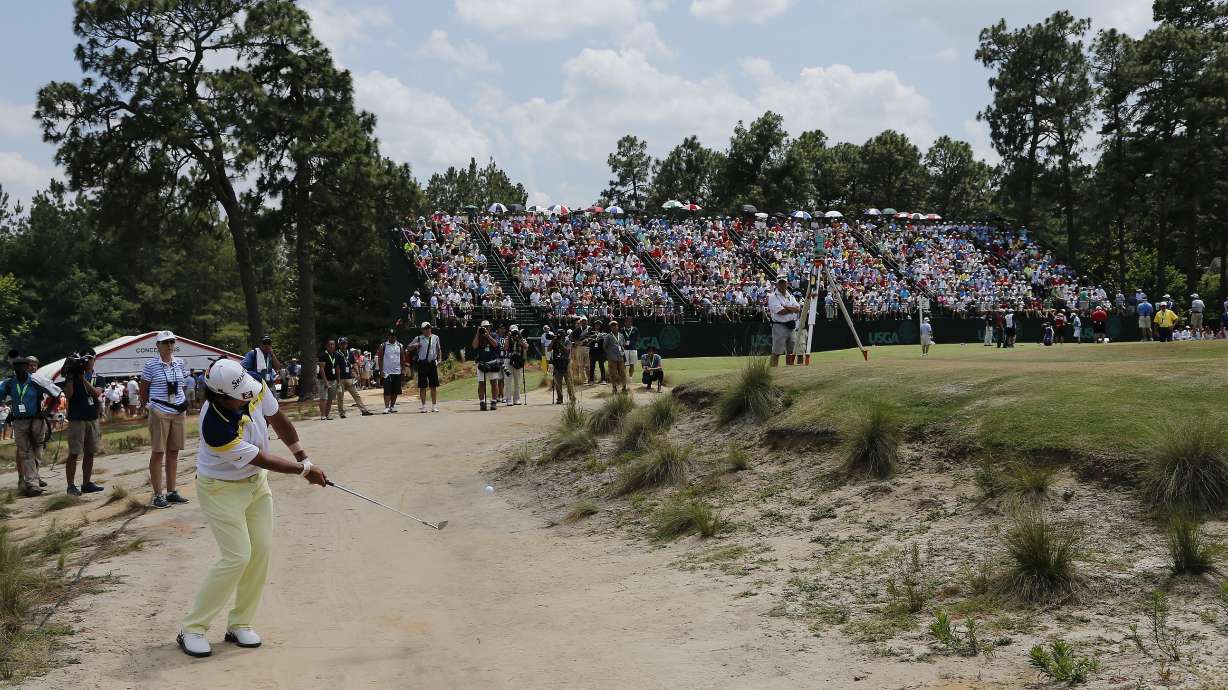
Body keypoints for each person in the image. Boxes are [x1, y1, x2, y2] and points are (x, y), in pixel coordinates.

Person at [176, 358, 328, 659]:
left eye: (248, 390)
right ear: (219, 395)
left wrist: (303, 457)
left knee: (260, 552)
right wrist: (302, 471)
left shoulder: (253, 385)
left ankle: (239, 623)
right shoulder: (214, 426)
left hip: (256, 486)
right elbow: (260, 458)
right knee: (237, 557)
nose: (248, 396)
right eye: (239, 395)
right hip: (220, 489)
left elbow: (278, 418)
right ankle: (192, 628)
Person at [141, 331, 190, 509]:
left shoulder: (180, 363)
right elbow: (144, 388)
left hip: (178, 410)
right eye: (165, 342)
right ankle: (157, 494)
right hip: (159, 410)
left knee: (174, 451)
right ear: (158, 345)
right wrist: (148, 406)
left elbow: (181, 384)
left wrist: (182, 402)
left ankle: (171, 491)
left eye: (172, 342)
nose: (169, 346)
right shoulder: (150, 365)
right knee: (158, 452)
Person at [0, 356, 54, 496]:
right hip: (19, 422)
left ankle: (33, 479)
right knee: (25, 452)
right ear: (14, 369)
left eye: (22, 367)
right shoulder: (9, 383)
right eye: (16, 368)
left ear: (26, 367)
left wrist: (46, 412)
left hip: (36, 420)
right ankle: (32, 484)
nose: (19, 370)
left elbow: (56, 393)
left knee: (37, 451)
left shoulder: (37, 380)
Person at [63, 351, 105, 496]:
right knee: (74, 453)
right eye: (85, 360)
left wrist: (82, 379)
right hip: (76, 419)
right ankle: (71, 486)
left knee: (90, 452)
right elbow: (68, 395)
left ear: (94, 359)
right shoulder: (72, 377)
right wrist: (70, 377)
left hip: (92, 418)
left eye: (90, 359)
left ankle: (86, 483)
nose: (87, 362)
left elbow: (96, 393)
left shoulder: (98, 378)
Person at [407, 322, 441, 413]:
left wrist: (439, 359)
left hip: (432, 363)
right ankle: (423, 406)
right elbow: (408, 347)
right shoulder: (418, 338)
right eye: (425, 328)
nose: (428, 329)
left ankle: (434, 406)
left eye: (429, 327)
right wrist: (415, 346)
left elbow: (438, 349)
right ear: (422, 330)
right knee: (423, 386)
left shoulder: (435, 337)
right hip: (422, 363)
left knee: (433, 385)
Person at [767, 276, 801, 366]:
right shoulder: (773, 297)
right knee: (776, 352)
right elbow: (781, 312)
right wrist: (791, 309)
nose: (782, 285)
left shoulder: (790, 295)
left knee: (791, 352)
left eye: (784, 283)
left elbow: (798, 309)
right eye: (780, 283)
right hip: (779, 326)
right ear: (777, 285)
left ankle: (789, 372)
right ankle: (773, 372)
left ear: (787, 284)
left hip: (791, 326)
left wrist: (785, 307)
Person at [336, 338, 373, 417]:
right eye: (342, 343)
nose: (343, 345)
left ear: (347, 344)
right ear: (339, 345)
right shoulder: (337, 354)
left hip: (349, 377)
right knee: (340, 397)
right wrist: (338, 380)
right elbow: (337, 367)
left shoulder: (350, 353)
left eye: (345, 343)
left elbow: (354, 364)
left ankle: (364, 410)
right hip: (341, 379)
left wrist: (358, 374)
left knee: (356, 395)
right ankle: (341, 413)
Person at [472, 320, 502, 411]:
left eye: (487, 327)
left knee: (494, 382)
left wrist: (487, 335)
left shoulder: (493, 335)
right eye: (484, 327)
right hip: (481, 362)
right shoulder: (479, 336)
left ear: (490, 327)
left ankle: (493, 401)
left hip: (492, 362)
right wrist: (478, 333)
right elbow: (474, 346)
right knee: (481, 383)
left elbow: (495, 344)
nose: (486, 328)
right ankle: (482, 402)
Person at [376, 329, 406, 414]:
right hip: (387, 372)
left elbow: (402, 359)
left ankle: (392, 406)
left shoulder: (400, 345)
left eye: (393, 335)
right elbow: (380, 358)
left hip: (397, 371)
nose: (392, 337)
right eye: (390, 335)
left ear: (396, 336)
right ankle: (386, 407)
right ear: (388, 336)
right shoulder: (383, 345)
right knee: (387, 390)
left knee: (395, 391)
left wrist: (403, 370)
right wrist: (381, 371)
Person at [317, 338, 344, 420]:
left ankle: (327, 414)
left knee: (330, 399)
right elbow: (321, 369)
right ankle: (323, 415)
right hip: (323, 380)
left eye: (333, 344)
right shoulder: (322, 355)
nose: (332, 346)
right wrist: (325, 382)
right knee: (323, 398)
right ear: (326, 346)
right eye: (330, 344)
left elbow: (337, 368)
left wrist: (338, 381)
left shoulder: (336, 355)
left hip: (333, 380)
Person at [601, 320, 628, 394]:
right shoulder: (608, 336)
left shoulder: (621, 335)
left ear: (618, 326)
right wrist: (610, 353)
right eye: (612, 326)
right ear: (610, 327)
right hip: (612, 358)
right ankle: (614, 388)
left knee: (623, 373)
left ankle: (624, 387)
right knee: (613, 374)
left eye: (615, 325)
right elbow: (604, 346)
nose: (614, 327)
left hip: (620, 357)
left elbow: (623, 345)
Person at [504, 325, 528, 406]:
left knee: (517, 381)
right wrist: (508, 337)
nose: (514, 333)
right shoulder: (507, 339)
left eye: (515, 331)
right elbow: (505, 348)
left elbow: (526, 347)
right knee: (508, 380)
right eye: (512, 332)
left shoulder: (521, 339)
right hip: (508, 361)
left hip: (518, 361)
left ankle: (517, 398)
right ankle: (508, 399)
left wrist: (520, 339)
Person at [548, 329, 574, 404]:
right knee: (558, 383)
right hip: (557, 364)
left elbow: (567, 351)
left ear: (563, 335)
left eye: (560, 335)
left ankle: (572, 398)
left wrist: (560, 343)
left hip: (566, 364)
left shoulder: (567, 341)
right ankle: (560, 398)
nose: (559, 336)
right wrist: (553, 341)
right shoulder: (555, 341)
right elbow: (549, 349)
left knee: (569, 382)